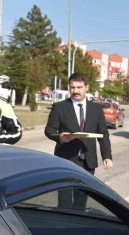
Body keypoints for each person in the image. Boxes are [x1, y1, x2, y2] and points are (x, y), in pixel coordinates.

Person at [44, 72, 112, 209]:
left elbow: (103, 133)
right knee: (64, 200)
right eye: (72, 87)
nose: (75, 91)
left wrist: (107, 156)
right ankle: (63, 225)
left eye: (79, 87)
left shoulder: (96, 109)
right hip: (65, 159)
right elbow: (49, 130)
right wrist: (60, 137)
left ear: (86, 87)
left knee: (81, 199)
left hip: (88, 161)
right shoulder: (60, 107)